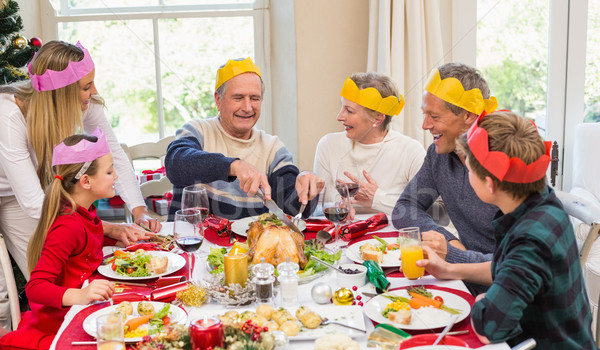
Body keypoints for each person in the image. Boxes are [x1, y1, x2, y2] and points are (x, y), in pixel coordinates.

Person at [420, 111, 600, 350]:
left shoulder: (531, 238)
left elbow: (489, 326)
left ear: (489, 183)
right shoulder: (537, 203)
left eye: (468, 169)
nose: (466, 174)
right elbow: (507, 269)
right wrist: (451, 270)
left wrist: (483, 301)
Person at [0, 41, 157, 276]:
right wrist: (108, 228)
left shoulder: (86, 103)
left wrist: (139, 209)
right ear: (62, 94)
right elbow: (34, 203)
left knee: (48, 274)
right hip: (21, 194)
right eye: (87, 86)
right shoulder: (8, 116)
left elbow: (114, 155)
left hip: (22, 195)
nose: (94, 91)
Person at [0, 129, 116, 350]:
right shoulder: (67, 227)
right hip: (59, 324)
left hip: (80, 314)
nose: (116, 176)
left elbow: (85, 245)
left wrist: (119, 237)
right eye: (110, 171)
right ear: (86, 181)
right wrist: (81, 294)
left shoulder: (85, 213)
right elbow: (36, 287)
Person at [165, 57, 323, 220]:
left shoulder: (273, 148)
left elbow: (292, 207)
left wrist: (308, 190)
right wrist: (233, 166)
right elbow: (175, 164)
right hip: (190, 240)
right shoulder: (198, 130)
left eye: (254, 98)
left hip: (248, 244)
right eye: (238, 98)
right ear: (218, 100)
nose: (248, 108)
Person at [391, 63, 498, 290]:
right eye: (424, 114)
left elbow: (518, 267)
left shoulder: (504, 165)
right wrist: (446, 240)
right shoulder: (439, 155)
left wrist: (454, 254)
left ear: (469, 115)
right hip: (461, 277)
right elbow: (405, 206)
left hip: (502, 290)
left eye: (434, 116)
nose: (425, 125)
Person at [314, 73, 425, 215]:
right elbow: (316, 209)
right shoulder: (328, 145)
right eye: (342, 107)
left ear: (378, 119)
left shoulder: (411, 151)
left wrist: (377, 198)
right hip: (343, 236)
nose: (340, 117)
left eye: (349, 111)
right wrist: (336, 208)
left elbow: (423, 210)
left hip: (393, 237)